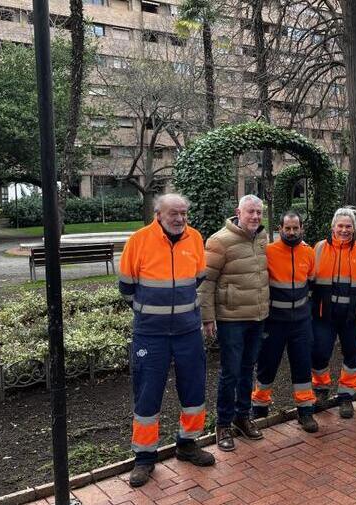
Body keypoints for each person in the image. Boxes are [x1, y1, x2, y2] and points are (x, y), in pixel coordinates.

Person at [118, 193, 215, 488]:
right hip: (150, 333)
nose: (180, 219)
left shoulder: (195, 238)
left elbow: (197, 278)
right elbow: (126, 286)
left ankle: (187, 444)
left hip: (187, 330)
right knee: (147, 393)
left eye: (184, 213)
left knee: (194, 388)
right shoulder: (138, 240)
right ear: (158, 214)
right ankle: (145, 458)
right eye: (174, 213)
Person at [199, 194, 269, 452]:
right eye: (250, 212)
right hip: (231, 320)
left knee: (247, 369)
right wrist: (207, 317)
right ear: (238, 212)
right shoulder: (219, 241)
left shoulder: (261, 237)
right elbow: (206, 283)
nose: (255, 217)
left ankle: (243, 416)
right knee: (230, 372)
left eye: (259, 213)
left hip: (257, 317)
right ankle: (224, 423)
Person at [251, 210, 319, 433]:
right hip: (274, 323)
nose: (291, 232)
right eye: (287, 228)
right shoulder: (268, 252)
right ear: (279, 229)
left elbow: (311, 283)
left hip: (300, 322)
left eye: (295, 228)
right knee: (266, 366)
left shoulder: (308, 253)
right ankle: (259, 409)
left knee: (302, 365)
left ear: (301, 229)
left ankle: (305, 410)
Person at [310, 207, 356, 419]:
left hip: (355, 317)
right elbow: (308, 282)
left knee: (353, 354)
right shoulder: (319, 248)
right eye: (340, 226)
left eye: (348, 226)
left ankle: (346, 396)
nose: (344, 230)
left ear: (354, 228)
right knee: (320, 353)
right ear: (333, 227)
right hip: (324, 316)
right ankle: (320, 392)